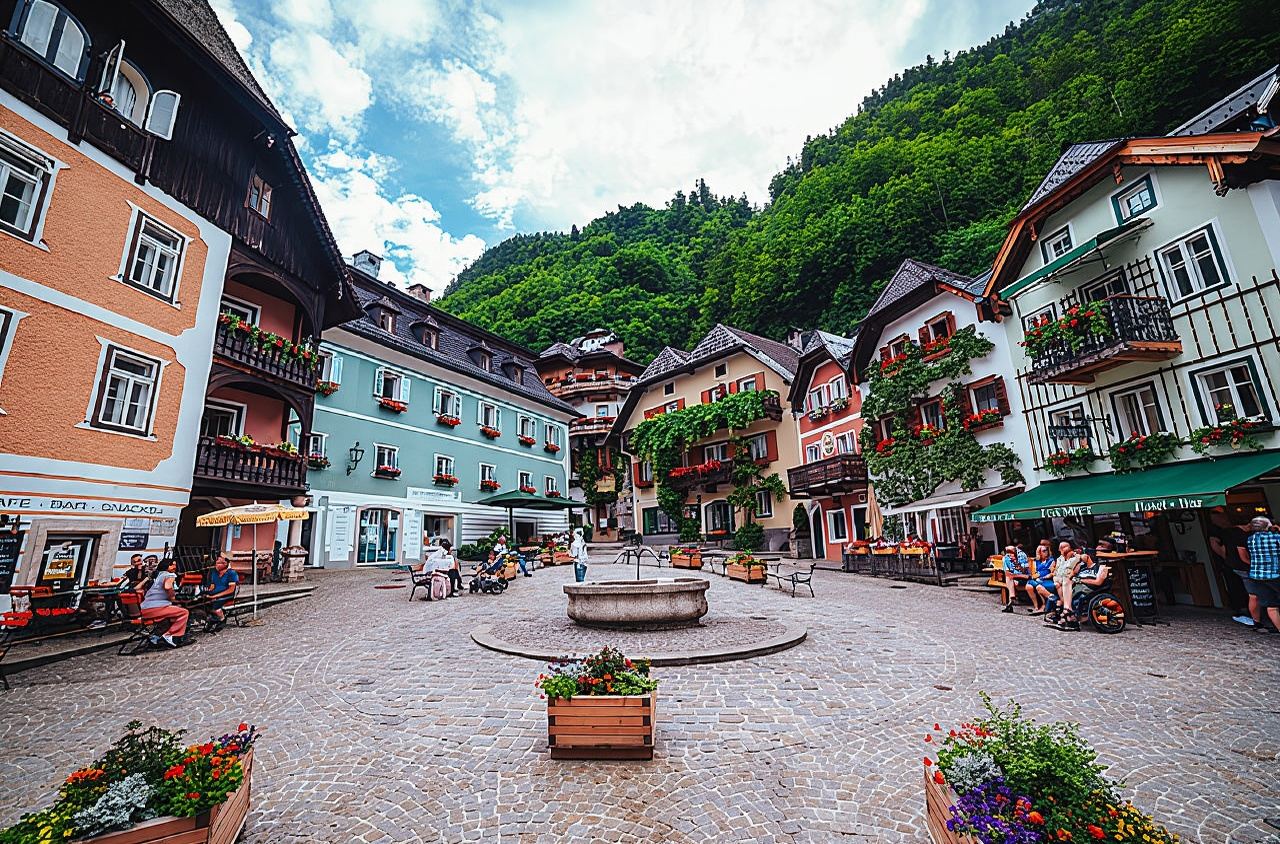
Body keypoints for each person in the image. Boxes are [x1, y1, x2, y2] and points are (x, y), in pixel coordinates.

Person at [1207, 508, 1254, 626]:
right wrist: (1226, 557)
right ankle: (1241, 609)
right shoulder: (1217, 530)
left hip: (1236, 562)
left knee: (1247, 588)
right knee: (1238, 586)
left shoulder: (1229, 530)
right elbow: (1215, 544)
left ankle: (1247, 611)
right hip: (1234, 563)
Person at [138, 559, 188, 647]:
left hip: (145, 609)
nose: (174, 567)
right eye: (172, 565)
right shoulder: (169, 574)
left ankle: (157, 637)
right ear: (166, 566)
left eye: (175, 565)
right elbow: (167, 586)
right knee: (184, 612)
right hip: (156, 608)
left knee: (174, 613)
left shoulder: (159, 575)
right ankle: (169, 636)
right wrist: (172, 596)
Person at [1243, 516, 1280, 633]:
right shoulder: (1275, 537)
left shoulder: (1250, 539)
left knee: (1272, 607)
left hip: (1257, 576)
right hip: (1275, 574)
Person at [1058, 551, 1111, 632]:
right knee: (1065, 581)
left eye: (1082, 554)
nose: (1079, 555)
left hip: (1090, 588)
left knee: (1071, 588)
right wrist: (1076, 563)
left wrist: (1080, 580)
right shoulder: (1081, 567)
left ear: (1088, 555)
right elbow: (1070, 576)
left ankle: (1068, 613)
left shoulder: (1100, 567)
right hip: (1077, 588)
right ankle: (1068, 611)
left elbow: (1098, 582)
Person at [1046, 541, 1082, 625]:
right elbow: (1056, 571)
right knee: (1058, 584)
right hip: (1059, 579)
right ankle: (1068, 612)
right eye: (1060, 548)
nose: (1061, 549)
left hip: (1071, 579)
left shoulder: (1076, 557)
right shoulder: (1059, 559)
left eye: (1064, 547)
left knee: (1063, 582)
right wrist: (1055, 576)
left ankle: (1067, 611)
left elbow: (1074, 571)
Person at [204, 554, 240, 632]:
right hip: (215, 594)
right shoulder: (214, 572)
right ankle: (213, 618)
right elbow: (212, 585)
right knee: (202, 602)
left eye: (219, 563)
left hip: (227, 595)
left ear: (225, 564)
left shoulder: (231, 573)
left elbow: (231, 589)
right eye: (216, 562)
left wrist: (216, 595)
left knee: (215, 603)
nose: (217, 565)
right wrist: (208, 591)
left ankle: (221, 619)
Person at [999, 544, 1030, 613]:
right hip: (1014, 578)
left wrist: (1017, 565)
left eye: (1011, 553)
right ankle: (1012, 598)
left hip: (1024, 578)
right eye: (1008, 553)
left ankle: (1011, 601)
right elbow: (1007, 573)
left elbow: (1025, 572)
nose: (1009, 555)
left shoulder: (1022, 555)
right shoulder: (1005, 558)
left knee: (1010, 579)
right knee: (1010, 579)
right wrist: (1013, 575)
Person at [1026, 544, 1055, 614]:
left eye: (1047, 550)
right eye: (1044, 551)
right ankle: (1036, 606)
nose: (1046, 552)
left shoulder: (1051, 561)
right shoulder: (1036, 562)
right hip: (1037, 579)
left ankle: (1044, 605)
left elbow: (1053, 573)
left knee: (1037, 585)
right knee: (1028, 586)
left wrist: (1045, 576)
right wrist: (1036, 576)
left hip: (1046, 579)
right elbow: (1033, 573)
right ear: (1039, 553)